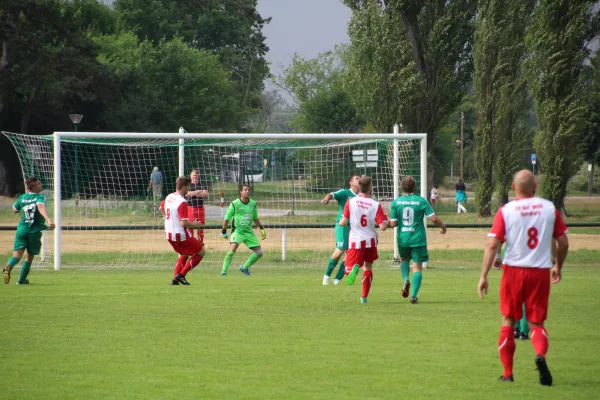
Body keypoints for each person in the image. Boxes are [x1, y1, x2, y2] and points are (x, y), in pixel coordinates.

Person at [478, 169, 569, 386]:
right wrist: (558, 265)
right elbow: (563, 242)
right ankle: (540, 355)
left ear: (513, 187)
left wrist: (483, 275)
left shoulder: (506, 210)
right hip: (540, 271)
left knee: (508, 319)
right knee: (536, 322)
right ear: (534, 187)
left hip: (513, 271)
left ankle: (508, 373)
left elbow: (493, 243)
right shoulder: (549, 208)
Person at [389, 176, 447, 304]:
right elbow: (434, 219)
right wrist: (443, 227)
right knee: (417, 268)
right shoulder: (421, 201)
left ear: (401, 187)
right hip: (418, 239)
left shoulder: (396, 202)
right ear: (414, 187)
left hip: (403, 238)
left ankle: (405, 280)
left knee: (404, 260)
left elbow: (393, 224)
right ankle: (414, 296)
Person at [340, 176, 388, 304]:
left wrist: (341, 222)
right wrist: (386, 219)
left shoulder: (350, 201)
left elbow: (343, 222)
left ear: (359, 187)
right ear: (370, 187)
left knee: (347, 270)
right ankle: (363, 297)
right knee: (368, 268)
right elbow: (383, 227)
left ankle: (353, 268)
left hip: (356, 241)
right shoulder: (376, 204)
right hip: (371, 241)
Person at [3, 177, 55, 285]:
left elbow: (14, 210)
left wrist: (24, 203)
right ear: (34, 187)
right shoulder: (40, 197)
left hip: (21, 230)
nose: (41, 185)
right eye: (39, 184)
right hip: (34, 231)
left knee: (16, 256)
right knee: (29, 257)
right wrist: (48, 219)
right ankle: (21, 280)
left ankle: (9, 266)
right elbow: (40, 206)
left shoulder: (22, 197)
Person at [163, 176, 206, 286]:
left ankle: (175, 280)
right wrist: (194, 225)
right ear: (184, 187)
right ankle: (181, 275)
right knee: (201, 252)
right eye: (188, 187)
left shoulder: (169, 197)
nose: (189, 189)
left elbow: (161, 208)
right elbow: (184, 223)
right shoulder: (182, 202)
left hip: (169, 234)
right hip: (180, 234)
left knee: (184, 253)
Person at [319, 175, 360, 285]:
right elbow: (332, 194)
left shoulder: (362, 197)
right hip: (342, 225)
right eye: (356, 178)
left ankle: (337, 279)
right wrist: (327, 198)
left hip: (355, 228)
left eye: (360, 178)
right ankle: (326, 276)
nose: (359, 179)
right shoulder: (345, 193)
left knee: (351, 254)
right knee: (340, 250)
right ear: (350, 182)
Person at [221, 184, 266, 276]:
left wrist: (261, 228)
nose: (247, 191)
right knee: (231, 250)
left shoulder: (253, 204)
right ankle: (223, 272)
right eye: (245, 190)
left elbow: (255, 218)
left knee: (259, 252)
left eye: (248, 190)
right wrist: (224, 231)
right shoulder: (234, 204)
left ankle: (244, 267)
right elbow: (227, 218)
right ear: (240, 192)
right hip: (237, 231)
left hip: (248, 232)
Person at [185, 169, 209, 244]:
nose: (195, 177)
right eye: (194, 175)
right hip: (191, 208)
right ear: (190, 176)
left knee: (200, 226)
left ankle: (200, 242)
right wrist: (198, 191)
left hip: (200, 208)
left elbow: (205, 194)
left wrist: (193, 193)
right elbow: (187, 194)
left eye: (196, 175)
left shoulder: (202, 184)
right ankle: (190, 242)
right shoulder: (188, 184)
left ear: (198, 176)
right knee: (190, 227)